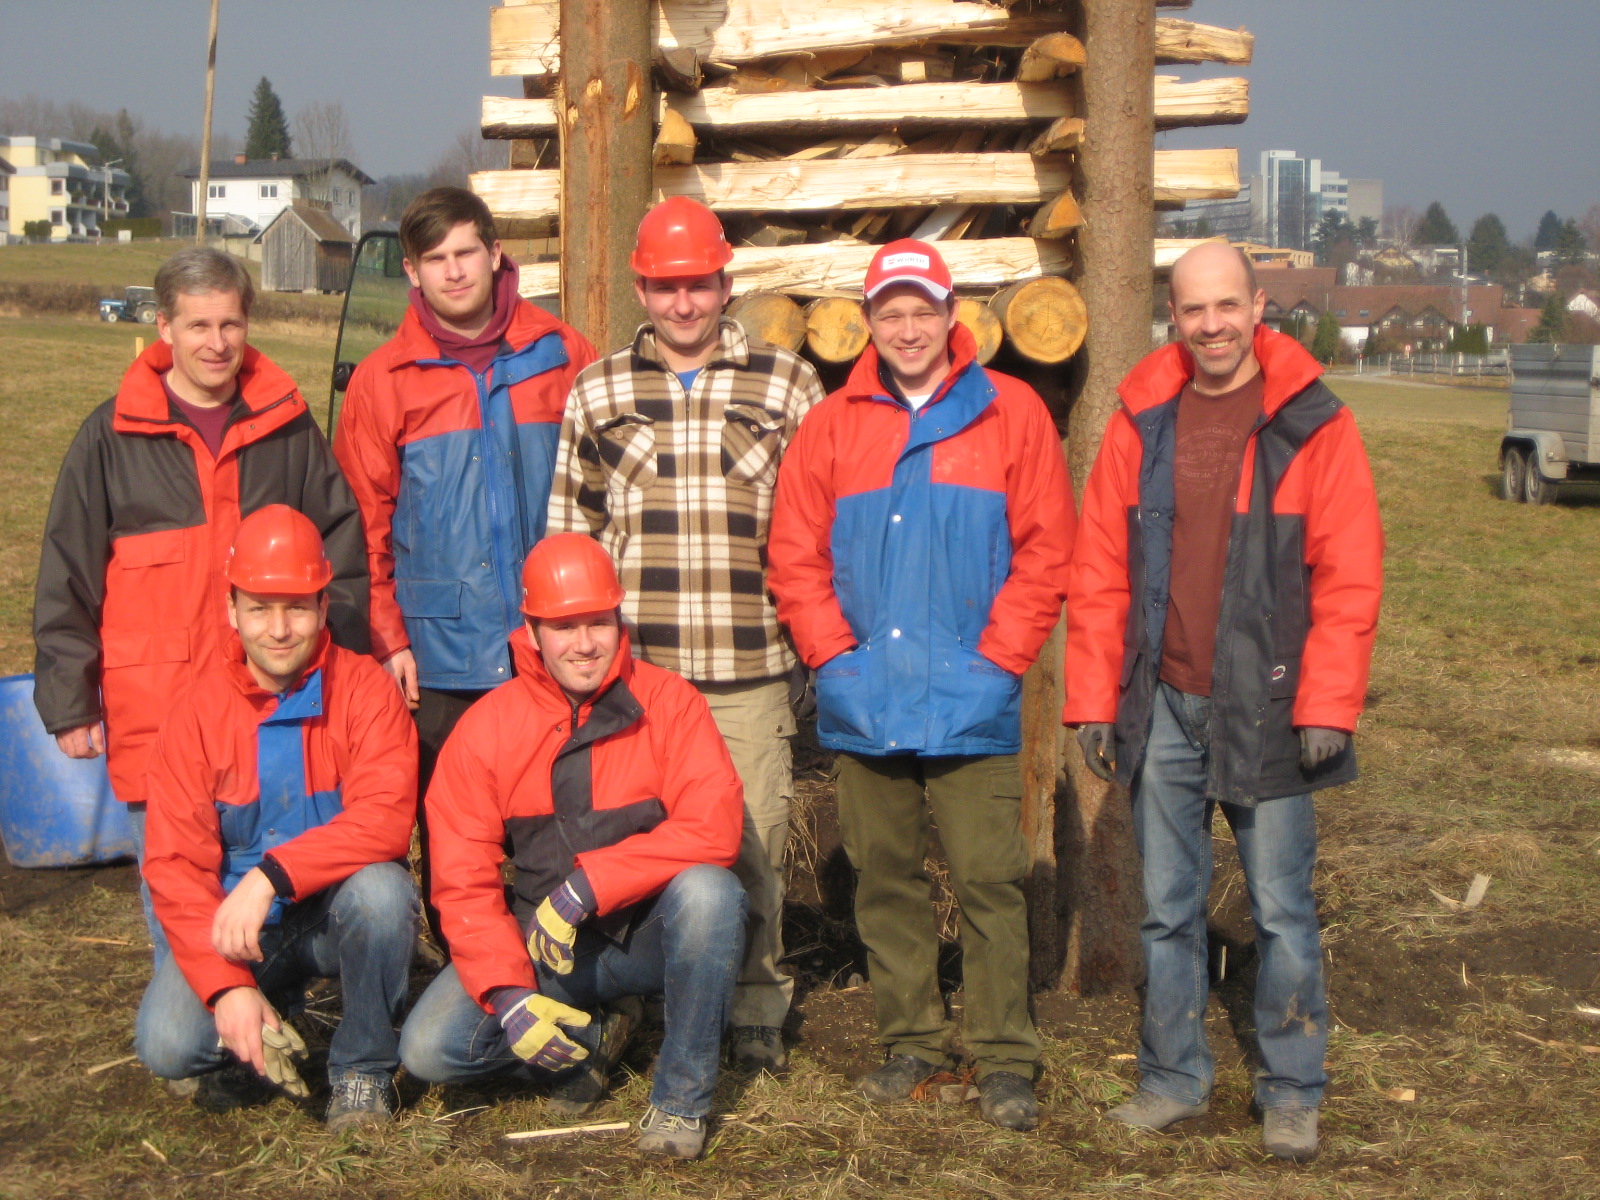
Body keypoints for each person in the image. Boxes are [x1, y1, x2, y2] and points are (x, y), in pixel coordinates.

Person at [1064, 242, 1383, 1162]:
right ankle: (1172, 1078)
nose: (1212, 326)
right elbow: (1100, 569)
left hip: (1270, 705)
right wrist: (1093, 698)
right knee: (1167, 906)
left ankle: (1292, 1089)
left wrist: (1329, 706)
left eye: (1227, 306)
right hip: (1163, 701)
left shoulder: (1313, 423)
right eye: (1195, 309)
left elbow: (1350, 574)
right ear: (1174, 314)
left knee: (1281, 908)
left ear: (1258, 307)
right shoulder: (1142, 419)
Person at [767, 239, 1075, 1131]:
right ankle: (911, 1041)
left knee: (990, 879)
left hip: (973, 698)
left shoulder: (1010, 412)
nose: (907, 329)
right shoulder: (832, 425)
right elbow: (795, 555)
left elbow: (1046, 550)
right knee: (884, 878)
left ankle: (1005, 1054)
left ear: (952, 317)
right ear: (869, 322)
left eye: (922, 311)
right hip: (866, 698)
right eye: (890, 313)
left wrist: (998, 662)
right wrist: (835, 660)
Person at [546, 197, 824, 1072]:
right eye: (666, 287)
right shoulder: (597, 391)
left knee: (754, 840)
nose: (683, 304)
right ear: (641, 288)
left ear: (725, 282)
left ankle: (754, 1004)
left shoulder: (787, 384)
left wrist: (814, 640)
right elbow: (572, 533)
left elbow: (819, 527)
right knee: (628, 845)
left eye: (698, 285)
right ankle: (635, 999)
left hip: (749, 663)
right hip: (640, 677)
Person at [33, 246, 368, 950]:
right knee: (181, 920)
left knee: (277, 904)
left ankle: (277, 997)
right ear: (164, 327)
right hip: (157, 713)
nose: (217, 343)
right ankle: (202, 1009)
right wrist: (70, 699)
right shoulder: (110, 437)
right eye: (198, 326)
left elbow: (340, 552)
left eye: (230, 324)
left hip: (275, 715)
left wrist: (345, 678)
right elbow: (68, 572)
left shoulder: (287, 426)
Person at [399, 533, 748, 1160]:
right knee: (430, 1049)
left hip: (644, 935)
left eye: (598, 622)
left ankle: (681, 1098)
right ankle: (597, 1034)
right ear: (532, 631)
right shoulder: (486, 728)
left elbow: (714, 827)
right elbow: (462, 880)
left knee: (711, 894)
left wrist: (588, 886)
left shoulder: (671, 703)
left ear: (619, 619)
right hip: (543, 946)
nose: (584, 644)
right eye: (563, 627)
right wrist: (508, 996)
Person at [332, 187, 596, 923]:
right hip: (439, 654)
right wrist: (387, 640)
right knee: (455, 837)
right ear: (411, 271)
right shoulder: (384, 381)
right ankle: (470, 977)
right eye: (435, 259)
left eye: (465, 252)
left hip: (551, 642)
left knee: (561, 824)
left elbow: (604, 491)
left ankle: (562, 968)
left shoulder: (561, 353)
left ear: (495, 252)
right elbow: (360, 530)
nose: (453, 272)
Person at [134, 506, 420, 1131]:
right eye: (260, 608)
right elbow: (174, 866)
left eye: (297, 608)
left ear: (323, 606)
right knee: (168, 1044)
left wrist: (271, 876)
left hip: (332, 914)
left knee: (383, 892)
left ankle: (363, 1068)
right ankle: (261, 1009)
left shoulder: (367, 692)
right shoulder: (194, 715)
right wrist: (227, 985)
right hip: (239, 933)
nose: (280, 629)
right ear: (231, 609)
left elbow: (385, 819)